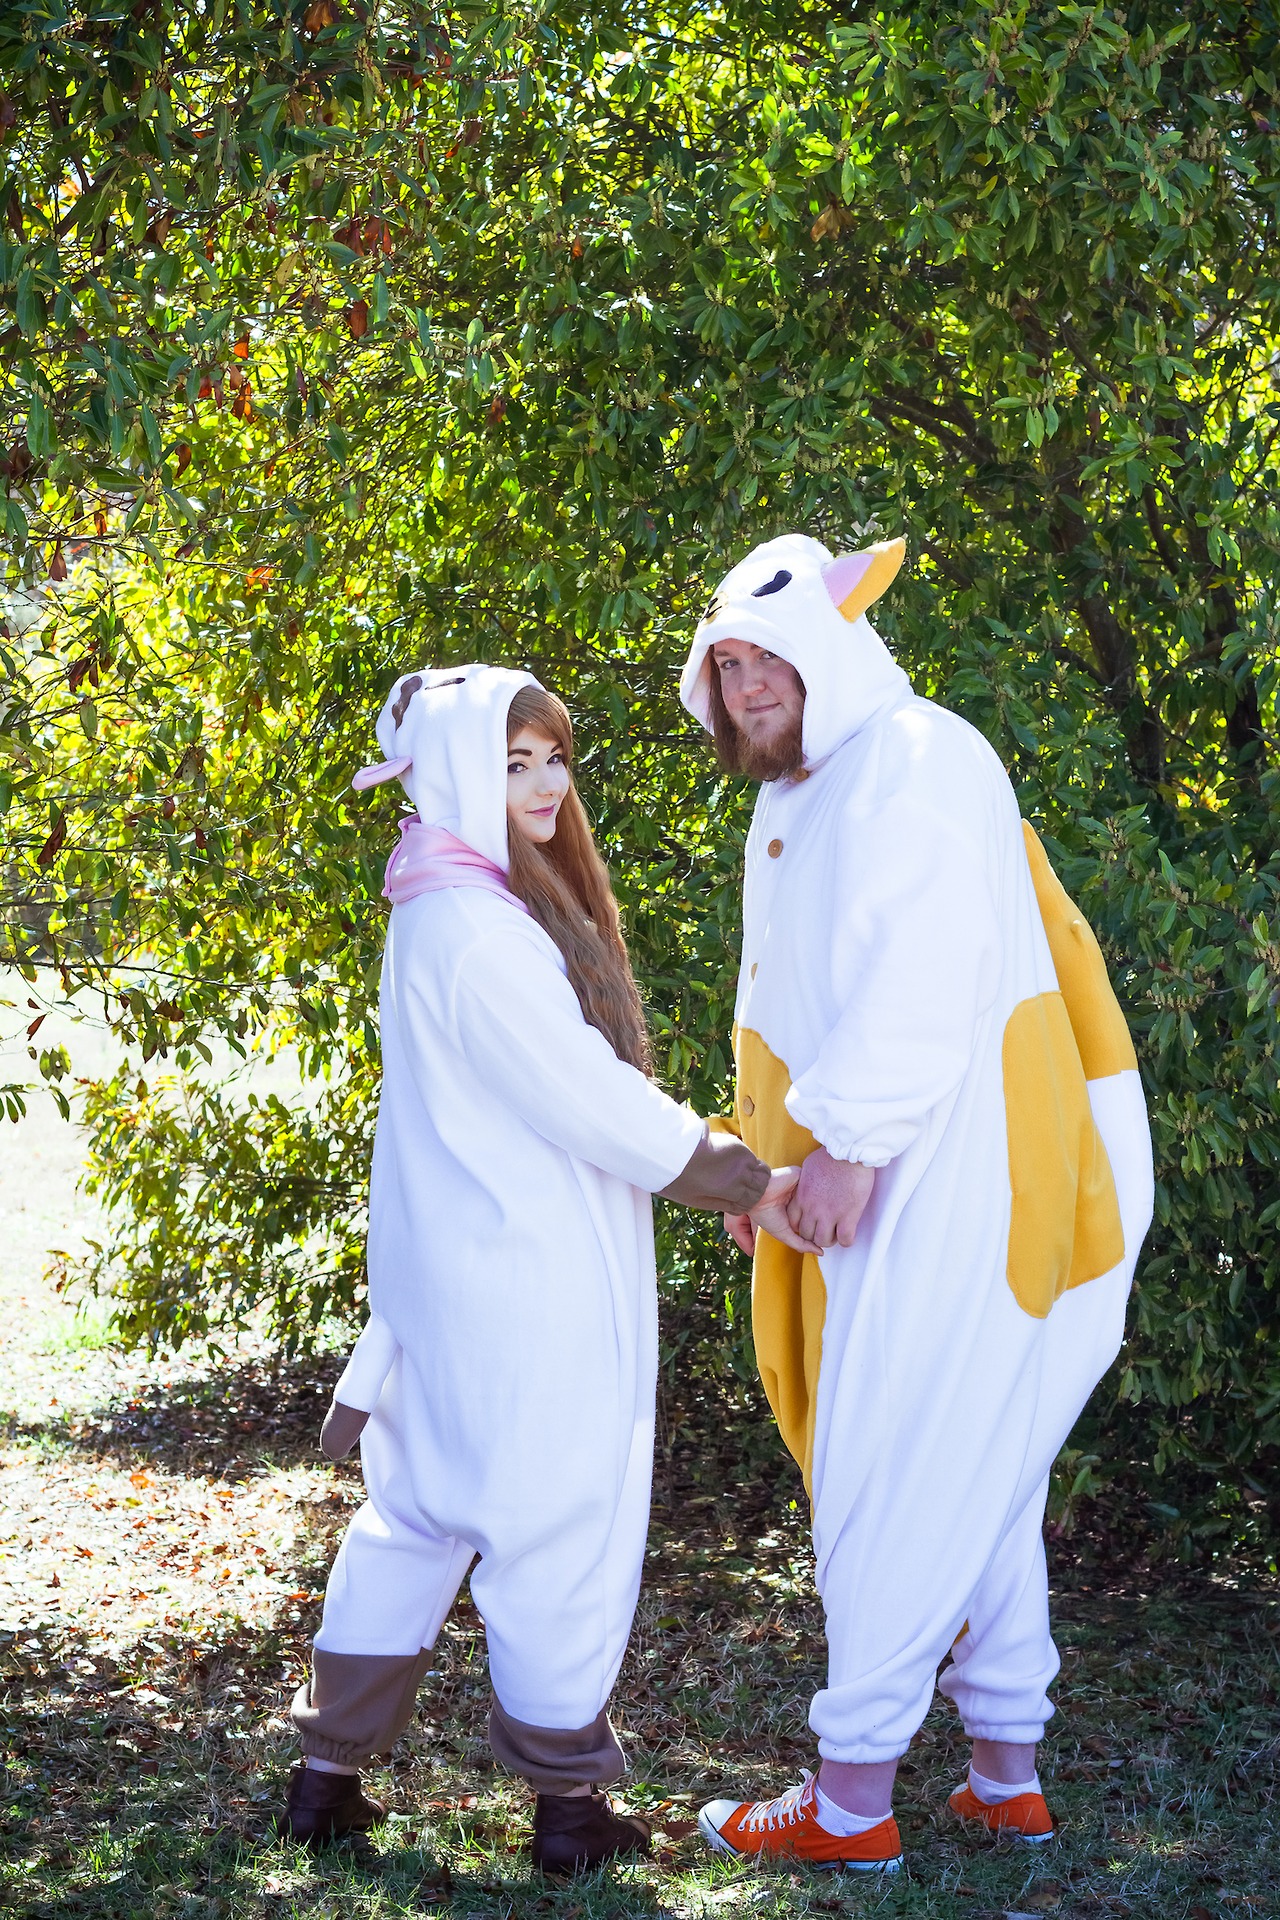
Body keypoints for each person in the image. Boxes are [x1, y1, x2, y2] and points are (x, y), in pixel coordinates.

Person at [277, 664, 806, 1872]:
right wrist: (733, 1173)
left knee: (413, 1521)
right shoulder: (477, 933)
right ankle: (567, 1812)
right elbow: (585, 1096)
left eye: (553, 758)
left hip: (448, 1278)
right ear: (452, 771)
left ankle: (324, 1780)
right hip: (521, 1284)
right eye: (511, 762)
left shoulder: (438, 901)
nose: (544, 783)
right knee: (558, 1527)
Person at [678, 534, 1154, 1872]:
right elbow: (803, 994)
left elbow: (925, 971)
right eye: (726, 664)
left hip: (953, 1178)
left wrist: (848, 1146)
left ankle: (850, 1804)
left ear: (832, 649)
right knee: (975, 1466)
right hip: (898, 1172)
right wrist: (765, 1160)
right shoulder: (815, 786)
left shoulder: (914, 754)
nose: (748, 684)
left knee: (891, 1470)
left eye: (769, 657)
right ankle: (1005, 1775)